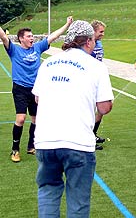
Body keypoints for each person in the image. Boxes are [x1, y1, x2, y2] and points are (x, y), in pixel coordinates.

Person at [32, 20, 114, 217]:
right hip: (77, 143)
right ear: (87, 41)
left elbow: (37, 97)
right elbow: (104, 107)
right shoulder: (96, 66)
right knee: (78, 200)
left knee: (48, 193)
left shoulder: (48, 63)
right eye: (94, 40)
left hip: (45, 141)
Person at [0, 16, 73, 163]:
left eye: (32, 36)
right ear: (21, 39)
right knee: (20, 119)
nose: (32, 38)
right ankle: (15, 149)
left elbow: (53, 36)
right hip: (20, 89)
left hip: (36, 89)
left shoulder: (37, 48)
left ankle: (31, 146)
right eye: (28, 36)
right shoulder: (13, 50)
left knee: (36, 119)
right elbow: (2, 35)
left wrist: (67, 24)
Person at [90, 20, 107, 150]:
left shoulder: (99, 43)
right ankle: (88, 139)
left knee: (101, 109)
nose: (103, 34)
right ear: (93, 31)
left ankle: (93, 134)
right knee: (90, 110)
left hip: (98, 80)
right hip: (89, 82)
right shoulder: (87, 44)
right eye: (101, 31)